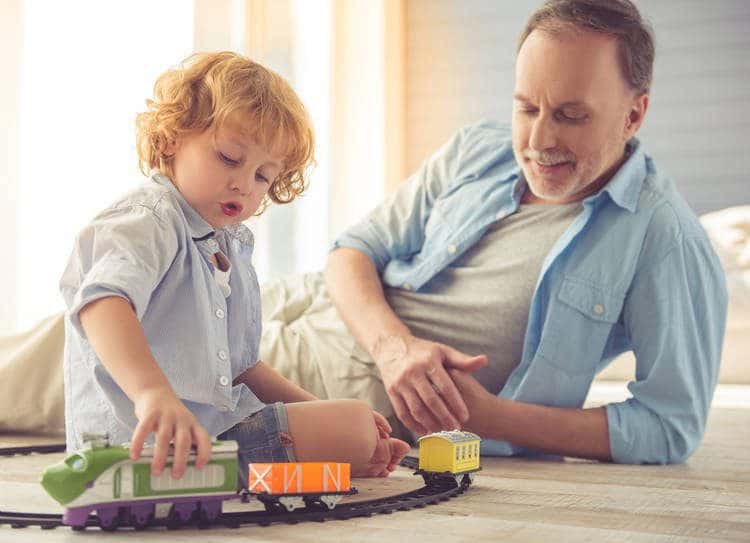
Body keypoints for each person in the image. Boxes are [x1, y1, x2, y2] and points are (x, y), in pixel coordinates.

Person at [261, 0, 727, 465]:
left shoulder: (664, 240)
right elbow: (353, 250)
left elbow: (669, 426)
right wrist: (395, 349)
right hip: (301, 305)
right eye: (527, 108)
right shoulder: (476, 150)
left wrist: (489, 417)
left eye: (570, 115)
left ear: (633, 115)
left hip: (323, 390)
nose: (539, 141)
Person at [58, 51, 409, 487]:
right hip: (138, 441)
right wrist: (152, 394)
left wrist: (319, 411)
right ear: (171, 139)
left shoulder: (232, 243)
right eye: (229, 158)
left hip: (215, 428)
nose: (244, 184)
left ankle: (333, 448)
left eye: (263, 176)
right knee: (352, 427)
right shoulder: (147, 219)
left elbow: (244, 369)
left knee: (351, 421)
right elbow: (102, 304)